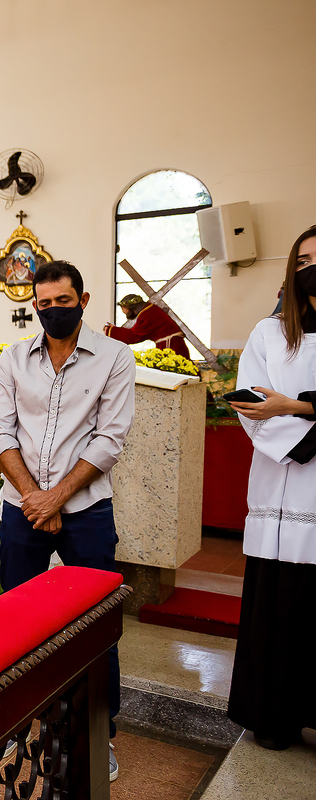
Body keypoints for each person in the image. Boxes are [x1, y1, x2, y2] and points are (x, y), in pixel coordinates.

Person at [0, 260, 135, 782]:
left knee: (96, 626)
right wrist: (34, 498)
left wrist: (58, 498)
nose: (52, 311)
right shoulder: (12, 358)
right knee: (14, 624)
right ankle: (17, 726)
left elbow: (109, 438)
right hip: (21, 505)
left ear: (84, 299)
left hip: (87, 510)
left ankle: (99, 735)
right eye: (43, 304)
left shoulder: (114, 357)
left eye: (62, 302)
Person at [226, 224, 316, 751]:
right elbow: (249, 402)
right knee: (277, 609)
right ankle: (273, 716)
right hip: (279, 492)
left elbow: (281, 404)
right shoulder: (270, 333)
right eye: (302, 260)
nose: (309, 267)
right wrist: (301, 435)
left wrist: (296, 406)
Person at [103, 293, 190, 358]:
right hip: (172, 345)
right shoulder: (150, 310)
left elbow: (134, 335)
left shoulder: (147, 315)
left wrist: (111, 330)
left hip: (170, 347)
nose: (123, 311)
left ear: (130, 306)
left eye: (123, 308)